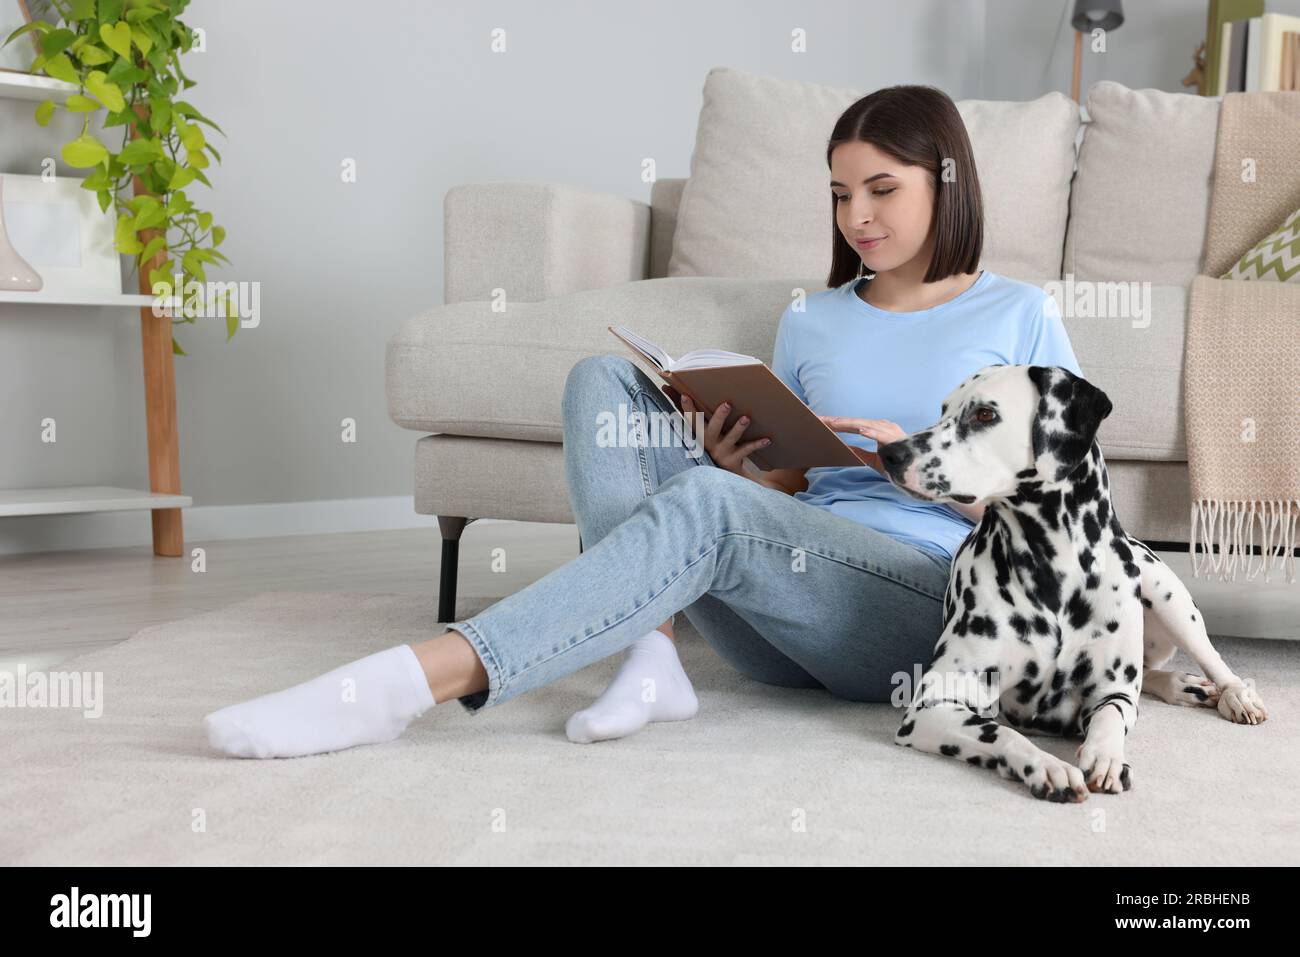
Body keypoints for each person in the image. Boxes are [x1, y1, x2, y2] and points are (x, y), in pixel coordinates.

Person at [202, 84, 1083, 759]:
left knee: (708, 505)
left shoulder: (1018, 316)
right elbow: (792, 486)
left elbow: (1073, 520)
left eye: (882, 189)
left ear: (947, 182)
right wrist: (746, 466)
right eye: (840, 193)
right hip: (785, 606)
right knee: (603, 384)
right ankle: (651, 655)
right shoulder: (814, 318)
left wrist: (919, 467)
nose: (856, 216)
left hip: (926, 604)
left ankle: (406, 684)